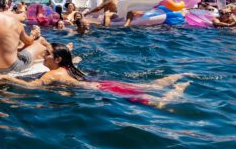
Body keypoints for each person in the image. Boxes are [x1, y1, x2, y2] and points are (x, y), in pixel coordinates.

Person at [11, 43, 188, 108]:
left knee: (158, 104)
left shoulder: (52, 75)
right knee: (150, 87)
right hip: (103, 83)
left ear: (57, 59)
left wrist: (7, 78)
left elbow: (31, 86)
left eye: (47, 53)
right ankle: (176, 78)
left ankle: (177, 91)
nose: (44, 55)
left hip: (100, 89)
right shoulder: (68, 69)